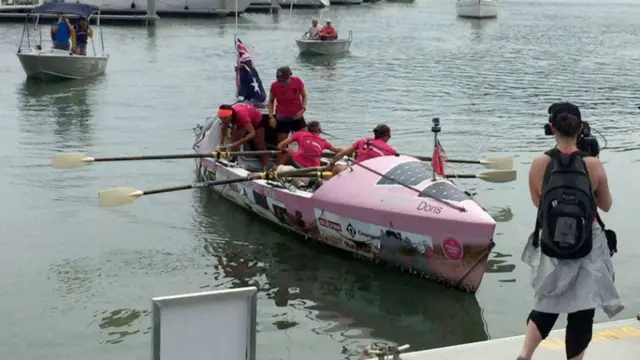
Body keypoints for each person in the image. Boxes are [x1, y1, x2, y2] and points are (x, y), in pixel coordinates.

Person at [518, 102, 623, 360]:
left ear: (552, 128)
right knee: (583, 309)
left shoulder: (539, 163)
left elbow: (538, 203)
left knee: (547, 301)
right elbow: (606, 205)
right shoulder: (593, 166)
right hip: (588, 243)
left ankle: (525, 355)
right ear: (580, 129)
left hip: (552, 242)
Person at [268, 66, 308, 166]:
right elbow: (271, 101)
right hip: (282, 118)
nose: (281, 82)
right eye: (279, 80)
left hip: (297, 116)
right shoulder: (274, 86)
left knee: (306, 140)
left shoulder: (297, 81)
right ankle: (278, 167)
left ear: (289, 76)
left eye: (284, 80)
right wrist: (271, 117)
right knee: (282, 144)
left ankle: (304, 163)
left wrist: (303, 109)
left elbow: (304, 95)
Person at [327, 124, 396, 175]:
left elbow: (342, 154)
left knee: (337, 167)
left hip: (356, 172)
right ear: (387, 136)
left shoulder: (364, 140)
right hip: (373, 175)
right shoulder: (391, 151)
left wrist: (331, 164)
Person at [217, 103, 269, 168]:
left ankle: (265, 168)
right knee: (234, 142)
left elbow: (252, 133)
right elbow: (223, 129)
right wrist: (221, 143)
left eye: (224, 118)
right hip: (242, 123)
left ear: (231, 115)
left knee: (259, 145)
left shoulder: (241, 115)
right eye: (221, 118)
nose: (223, 121)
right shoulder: (225, 119)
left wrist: (239, 142)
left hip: (257, 122)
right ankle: (234, 161)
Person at [276, 121, 342, 168]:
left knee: (286, 153)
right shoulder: (324, 142)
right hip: (315, 167)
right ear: (319, 130)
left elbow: (280, 146)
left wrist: (287, 150)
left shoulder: (299, 134)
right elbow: (337, 150)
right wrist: (349, 151)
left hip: (297, 163)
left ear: (307, 129)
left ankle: (276, 170)